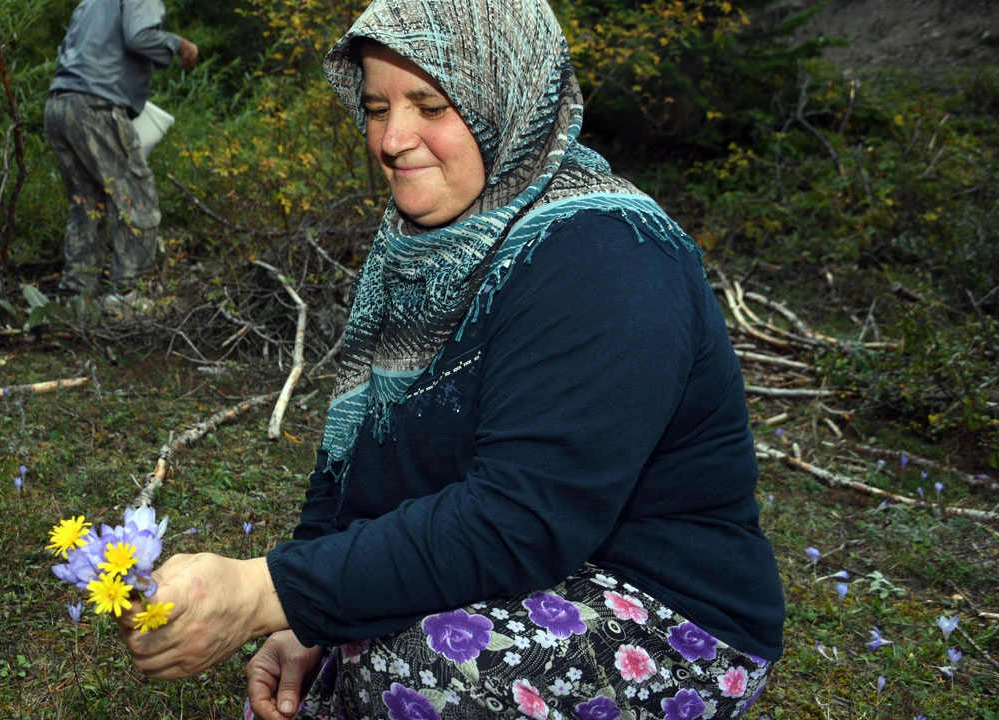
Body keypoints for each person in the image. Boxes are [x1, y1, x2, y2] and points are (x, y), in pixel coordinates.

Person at [114, 0, 786, 718]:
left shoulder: (609, 252)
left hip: (668, 609)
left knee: (419, 672)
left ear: (510, 101)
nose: (392, 139)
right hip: (519, 569)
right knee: (306, 689)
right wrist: (304, 618)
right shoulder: (419, 251)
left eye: (430, 105)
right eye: (375, 107)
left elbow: (520, 516)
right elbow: (358, 465)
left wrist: (264, 593)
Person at [44, 0, 198, 297]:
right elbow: (138, 37)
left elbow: (67, 49)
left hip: (60, 104)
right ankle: (128, 297)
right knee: (135, 199)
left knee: (86, 205)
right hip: (96, 105)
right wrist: (179, 44)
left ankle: (76, 297)